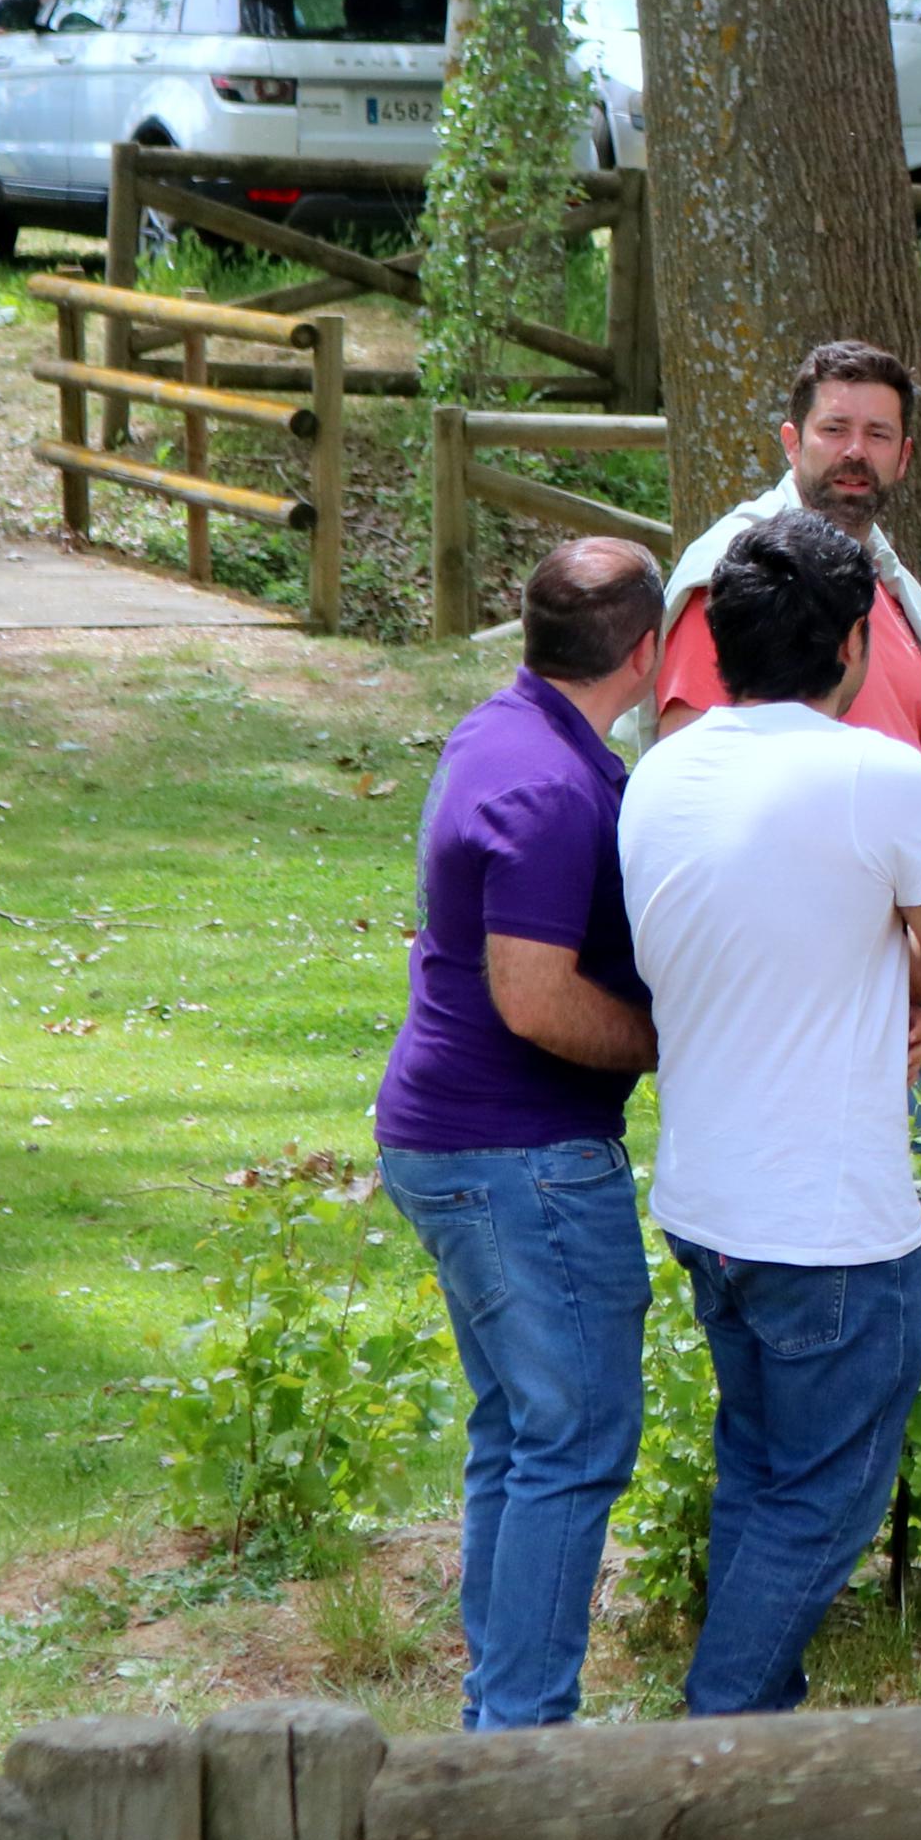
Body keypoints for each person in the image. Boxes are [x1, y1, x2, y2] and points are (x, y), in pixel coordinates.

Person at [620, 512, 921, 1714]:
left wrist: (881, 965)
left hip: (704, 1198)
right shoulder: (874, 773)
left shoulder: (661, 770)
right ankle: (714, 1744)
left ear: (716, 643)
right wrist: (906, 968)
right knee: (825, 1496)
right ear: (849, 646)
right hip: (828, 1215)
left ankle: (754, 1721)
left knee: (759, 1469)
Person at [373, 538, 667, 1731]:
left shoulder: (499, 728)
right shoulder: (548, 788)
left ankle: (497, 1721)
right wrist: (673, 1041)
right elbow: (535, 998)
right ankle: (523, 1749)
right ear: (644, 654)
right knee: (577, 1437)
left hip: (450, 1142)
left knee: (521, 1430)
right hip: (517, 1158)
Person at [658, 341, 921, 792]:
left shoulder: (893, 587)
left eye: (878, 434)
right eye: (835, 429)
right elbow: (683, 779)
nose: (855, 451)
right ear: (792, 443)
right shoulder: (739, 578)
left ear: (903, 458)